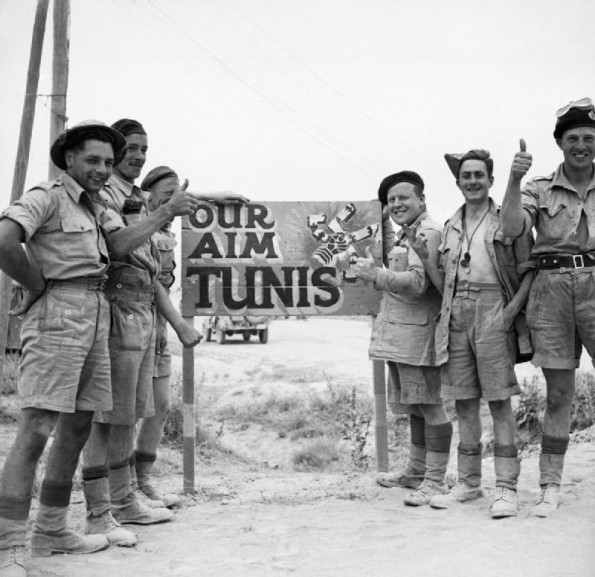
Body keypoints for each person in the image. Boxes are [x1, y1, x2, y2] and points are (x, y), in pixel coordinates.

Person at [0, 120, 127, 575]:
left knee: (78, 425)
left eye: (109, 163)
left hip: (95, 309)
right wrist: (36, 283)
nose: (102, 169)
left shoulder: (95, 206)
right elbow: (4, 240)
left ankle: (52, 529)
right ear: (69, 158)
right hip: (58, 312)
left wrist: (168, 211)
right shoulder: (47, 195)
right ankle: (9, 544)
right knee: (37, 426)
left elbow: (121, 245)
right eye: (92, 160)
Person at [411, 149, 534, 518]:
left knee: (498, 401)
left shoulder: (507, 219)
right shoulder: (450, 224)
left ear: (491, 181)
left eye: (480, 175)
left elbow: (530, 268)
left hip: (494, 308)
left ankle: (507, 489)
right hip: (455, 312)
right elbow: (442, 282)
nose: (473, 181)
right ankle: (468, 484)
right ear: (459, 182)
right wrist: (427, 258)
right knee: (463, 400)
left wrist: (511, 311)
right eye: (467, 176)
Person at [500, 98, 595, 517]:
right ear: (560, 143)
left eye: (589, 138)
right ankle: (549, 486)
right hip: (551, 289)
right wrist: (512, 178)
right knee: (558, 394)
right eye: (573, 138)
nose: (581, 145)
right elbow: (509, 228)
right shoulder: (538, 187)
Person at [353, 171, 453, 506]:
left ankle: (436, 481)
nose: (396, 204)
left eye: (403, 198)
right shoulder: (405, 234)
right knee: (416, 408)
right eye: (391, 200)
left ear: (421, 199)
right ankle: (415, 471)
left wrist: (376, 275)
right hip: (402, 335)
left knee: (430, 407)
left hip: (418, 335)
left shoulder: (428, 232)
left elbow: (418, 283)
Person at [133, 165, 186, 508]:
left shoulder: (166, 226)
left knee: (161, 404)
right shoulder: (138, 222)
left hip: (159, 324)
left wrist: (223, 195)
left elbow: (193, 202)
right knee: (130, 407)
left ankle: (143, 480)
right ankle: (120, 484)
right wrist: (181, 324)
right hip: (137, 316)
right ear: (147, 194)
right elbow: (151, 285)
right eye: (166, 195)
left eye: (175, 195)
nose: (173, 201)